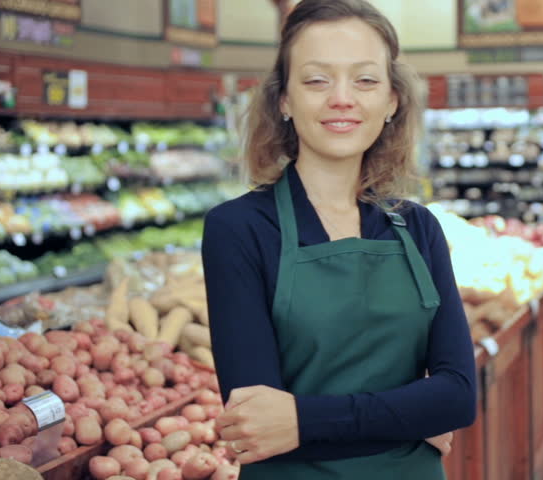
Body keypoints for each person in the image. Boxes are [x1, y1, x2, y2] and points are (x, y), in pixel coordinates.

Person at [201, 1, 477, 478]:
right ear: (283, 100)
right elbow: (257, 422)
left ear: (391, 100)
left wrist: (302, 420)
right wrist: (409, 416)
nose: (342, 98)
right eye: (316, 80)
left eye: (365, 80)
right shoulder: (237, 229)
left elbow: (458, 396)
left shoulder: (419, 228)